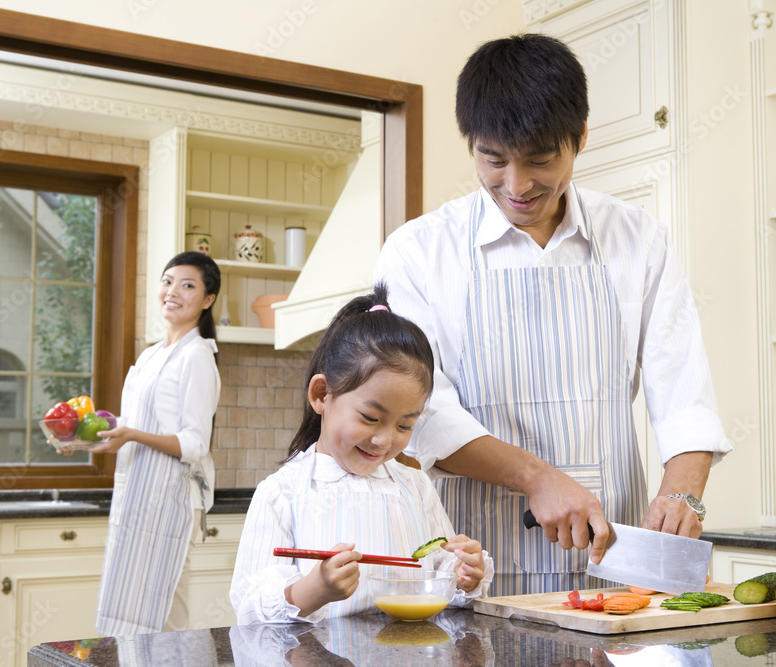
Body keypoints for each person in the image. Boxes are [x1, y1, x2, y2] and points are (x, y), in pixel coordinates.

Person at [373, 33, 732, 595]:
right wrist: (536, 478)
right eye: (493, 160)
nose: (516, 186)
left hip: (611, 564)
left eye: (540, 161)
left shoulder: (638, 239)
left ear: (580, 137)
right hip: (468, 567)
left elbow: (682, 390)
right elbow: (424, 412)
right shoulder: (418, 250)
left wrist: (681, 494)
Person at [229, 284, 493, 625]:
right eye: (371, 418)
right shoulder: (284, 493)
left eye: (405, 426)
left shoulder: (415, 487)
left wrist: (463, 571)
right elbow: (249, 608)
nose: (384, 440)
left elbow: (437, 570)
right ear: (322, 394)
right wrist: (315, 588)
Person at [79, 251, 221, 635]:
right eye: (168, 281)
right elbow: (133, 423)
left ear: (207, 300)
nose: (173, 291)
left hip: (169, 500)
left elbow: (194, 443)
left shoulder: (197, 356)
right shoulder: (150, 355)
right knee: (126, 608)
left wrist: (131, 434)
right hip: (137, 495)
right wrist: (89, 436)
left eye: (188, 285)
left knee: (163, 617)